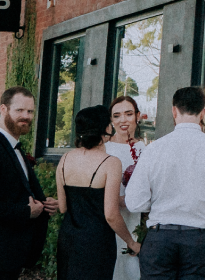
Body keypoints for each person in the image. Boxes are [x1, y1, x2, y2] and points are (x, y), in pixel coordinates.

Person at [124, 86, 205, 280]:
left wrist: (160, 200)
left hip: (160, 238)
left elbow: (134, 202)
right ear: (203, 112)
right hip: (199, 239)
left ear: (174, 110)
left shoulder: (154, 150)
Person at [0, 87, 58, 280]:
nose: (26, 116)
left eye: (30, 111)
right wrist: (25, 212)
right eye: (20, 110)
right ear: (3, 110)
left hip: (10, 254)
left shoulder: (14, 148)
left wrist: (44, 203)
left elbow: (16, 190)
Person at [55, 106, 142, 280]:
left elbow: (63, 207)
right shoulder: (110, 163)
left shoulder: (65, 158)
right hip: (96, 241)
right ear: (107, 128)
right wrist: (131, 242)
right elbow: (110, 214)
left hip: (68, 238)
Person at [106, 96, 147, 280]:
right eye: (117, 115)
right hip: (111, 221)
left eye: (128, 114)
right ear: (111, 120)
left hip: (137, 219)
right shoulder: (105, 149)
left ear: (137, 116)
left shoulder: (144, 149)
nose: (123, 120)